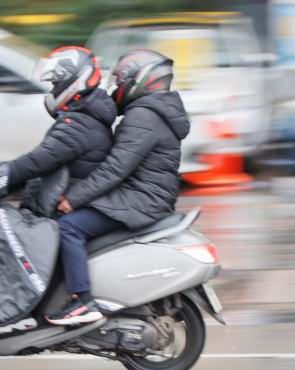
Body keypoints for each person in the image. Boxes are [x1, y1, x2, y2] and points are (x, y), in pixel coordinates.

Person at [45, 49, 191, 326]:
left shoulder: (143, 117)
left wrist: (74, 198)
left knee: (68, 226)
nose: (115, 87)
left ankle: (82, 301)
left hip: (142, 198)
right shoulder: (153, 112)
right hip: (145, 194)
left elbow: (115, 169)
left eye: (120, 80)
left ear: (138, 80)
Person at [6, 46, 117, 209]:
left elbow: (34, 162)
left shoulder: (79, 123)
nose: (52, 90)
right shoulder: (85, 114)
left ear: (75, 80)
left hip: (62, 208)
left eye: (55, 84)